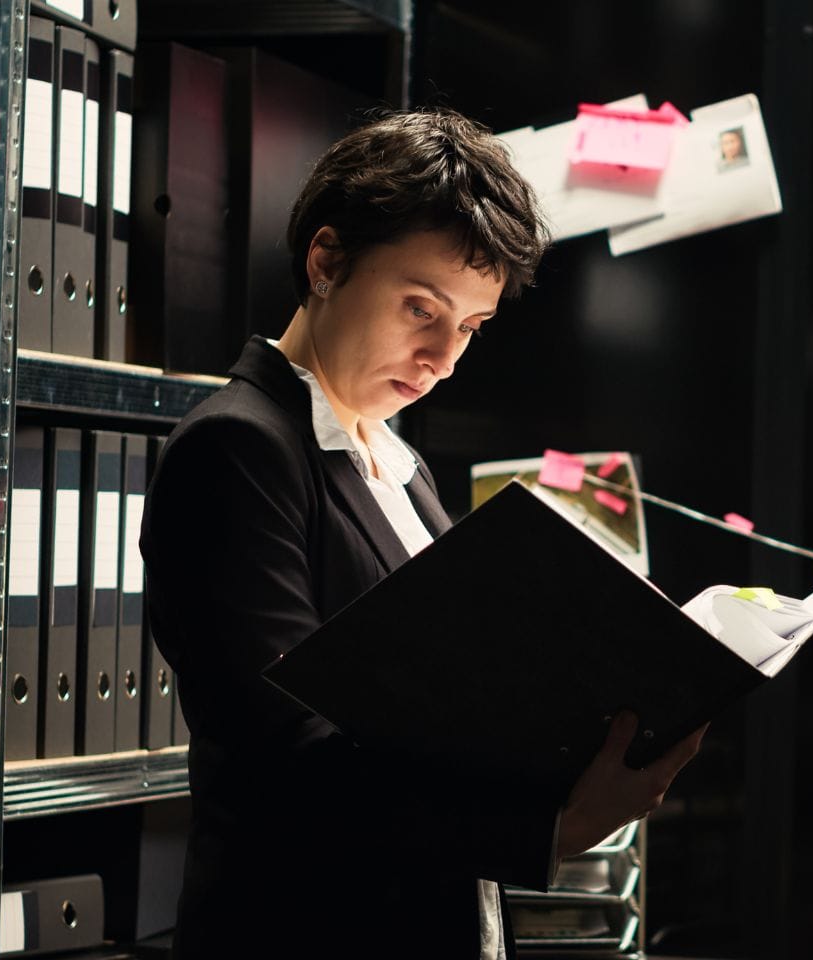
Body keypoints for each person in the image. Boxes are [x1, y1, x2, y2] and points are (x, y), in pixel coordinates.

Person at [140, 109, 705, 959]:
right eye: (420, 308)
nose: (444, 357)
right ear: (326, 262)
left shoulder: (401, 467)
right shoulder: (239, 447)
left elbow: (439, 708)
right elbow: (289, 754)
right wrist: (547, 828)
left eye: (470, 327)